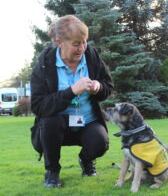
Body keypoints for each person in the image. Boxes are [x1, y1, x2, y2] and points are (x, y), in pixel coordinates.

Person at [30, 15, 113, 188]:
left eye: (84, 42)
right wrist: (72, 91)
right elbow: (38, 106)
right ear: (59, 42)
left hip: (87, 121)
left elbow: (108, 87)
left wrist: (98, 87)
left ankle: (86, 160)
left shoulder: (91, 56)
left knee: (100, 142)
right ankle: (52, 172)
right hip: (56, 125)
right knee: (50, 121)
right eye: (76, 44)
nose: (82, 48)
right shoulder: (44, 66)